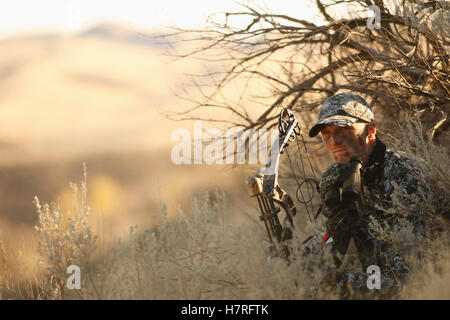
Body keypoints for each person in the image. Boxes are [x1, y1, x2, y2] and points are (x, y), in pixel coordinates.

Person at [308, 92, 440, 298]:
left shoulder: (402, 175)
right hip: (374, 282)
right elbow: (332, 247)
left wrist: (338, 282)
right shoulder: (335, 177)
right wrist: (301, 258)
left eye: (344, 129)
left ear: (371, 130)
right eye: (326, 133)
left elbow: (410, 280)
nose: (333, 140)